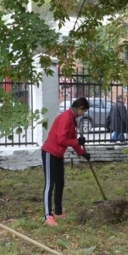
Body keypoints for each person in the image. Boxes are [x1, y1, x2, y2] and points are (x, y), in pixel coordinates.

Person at [41, 97, 91, 226]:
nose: (83, 114)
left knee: (60, 182)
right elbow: (61, 140)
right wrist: (77, 142)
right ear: (79, 108)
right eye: (83, 111)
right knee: (49, 184)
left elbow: (73, 140)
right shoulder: (65, 118)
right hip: (50, 153)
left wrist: (82, 153)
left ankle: (58, 211)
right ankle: (48, 216)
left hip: (58, 154)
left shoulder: (72, 119)